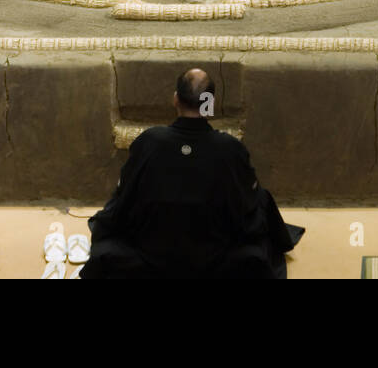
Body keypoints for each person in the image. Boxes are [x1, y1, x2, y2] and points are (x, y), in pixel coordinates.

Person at [81, 69, 304, 279]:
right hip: (214, 256)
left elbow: (124, 198)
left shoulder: (149, 141)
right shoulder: (229, 148)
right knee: (260, 202)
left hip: (153, 254)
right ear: (210, 103)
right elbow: (246, 205)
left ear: (175, 99)